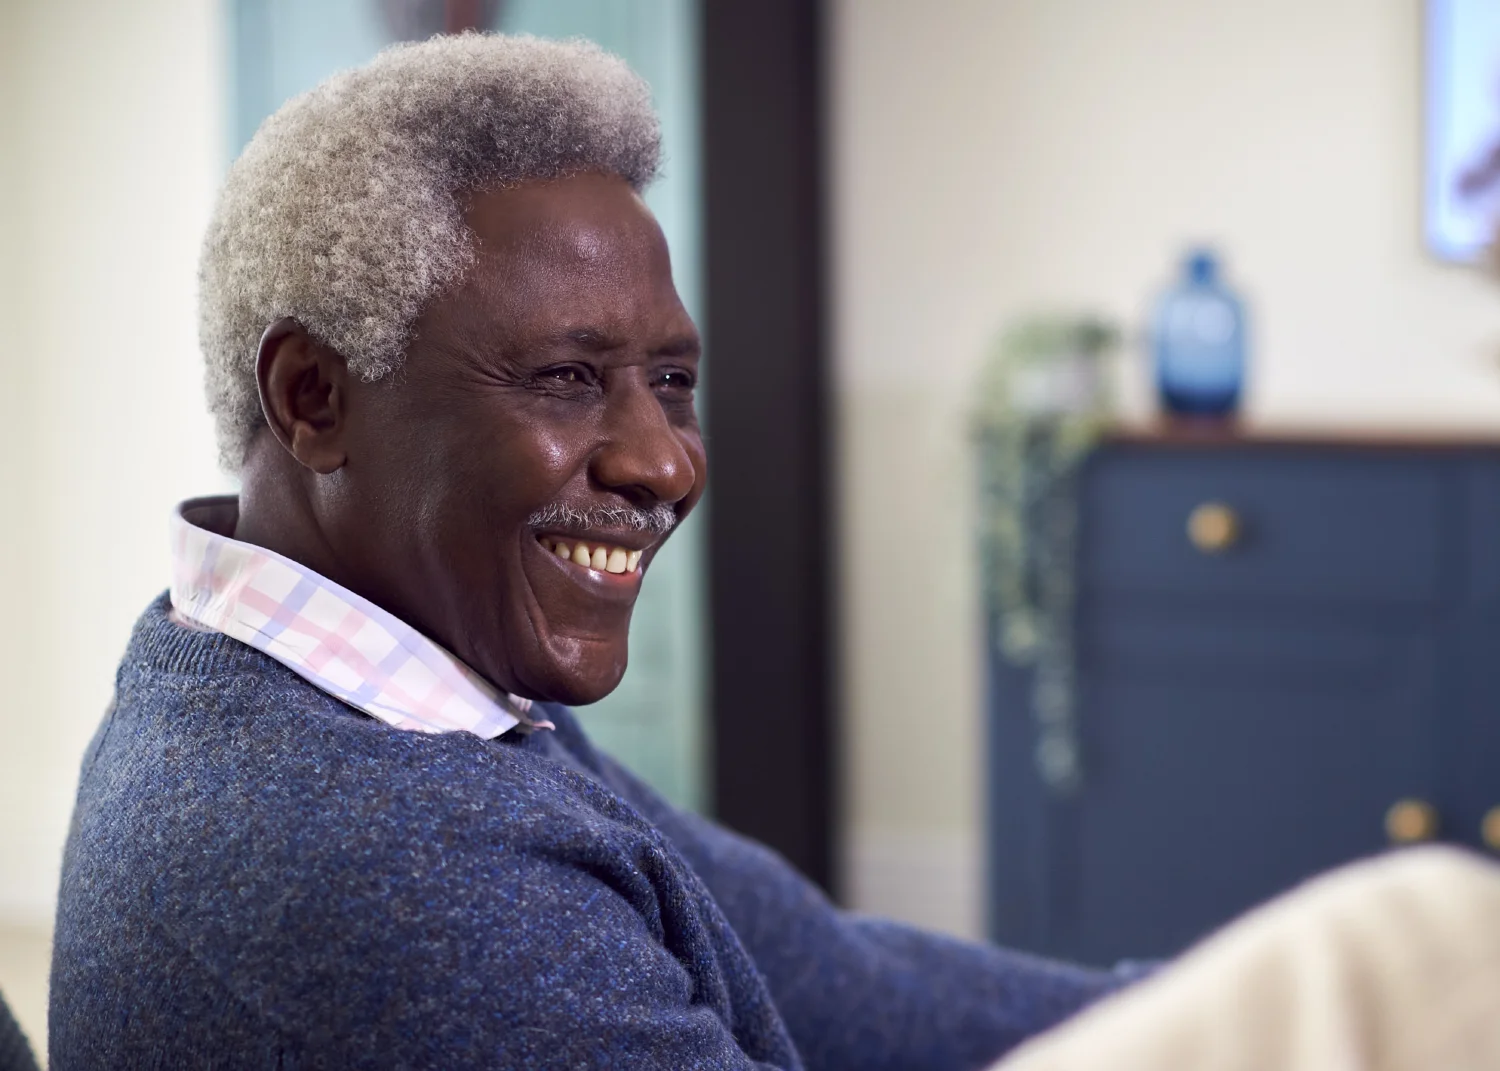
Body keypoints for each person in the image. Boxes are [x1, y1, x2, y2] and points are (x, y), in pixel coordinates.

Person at [48, 34, 1132, 1069]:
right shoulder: (412, 874)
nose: (664, 466)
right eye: (565, 379)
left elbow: (834, 979)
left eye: (672, 382)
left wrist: (1255, 998)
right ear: (313, 398)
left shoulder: (390, 695)